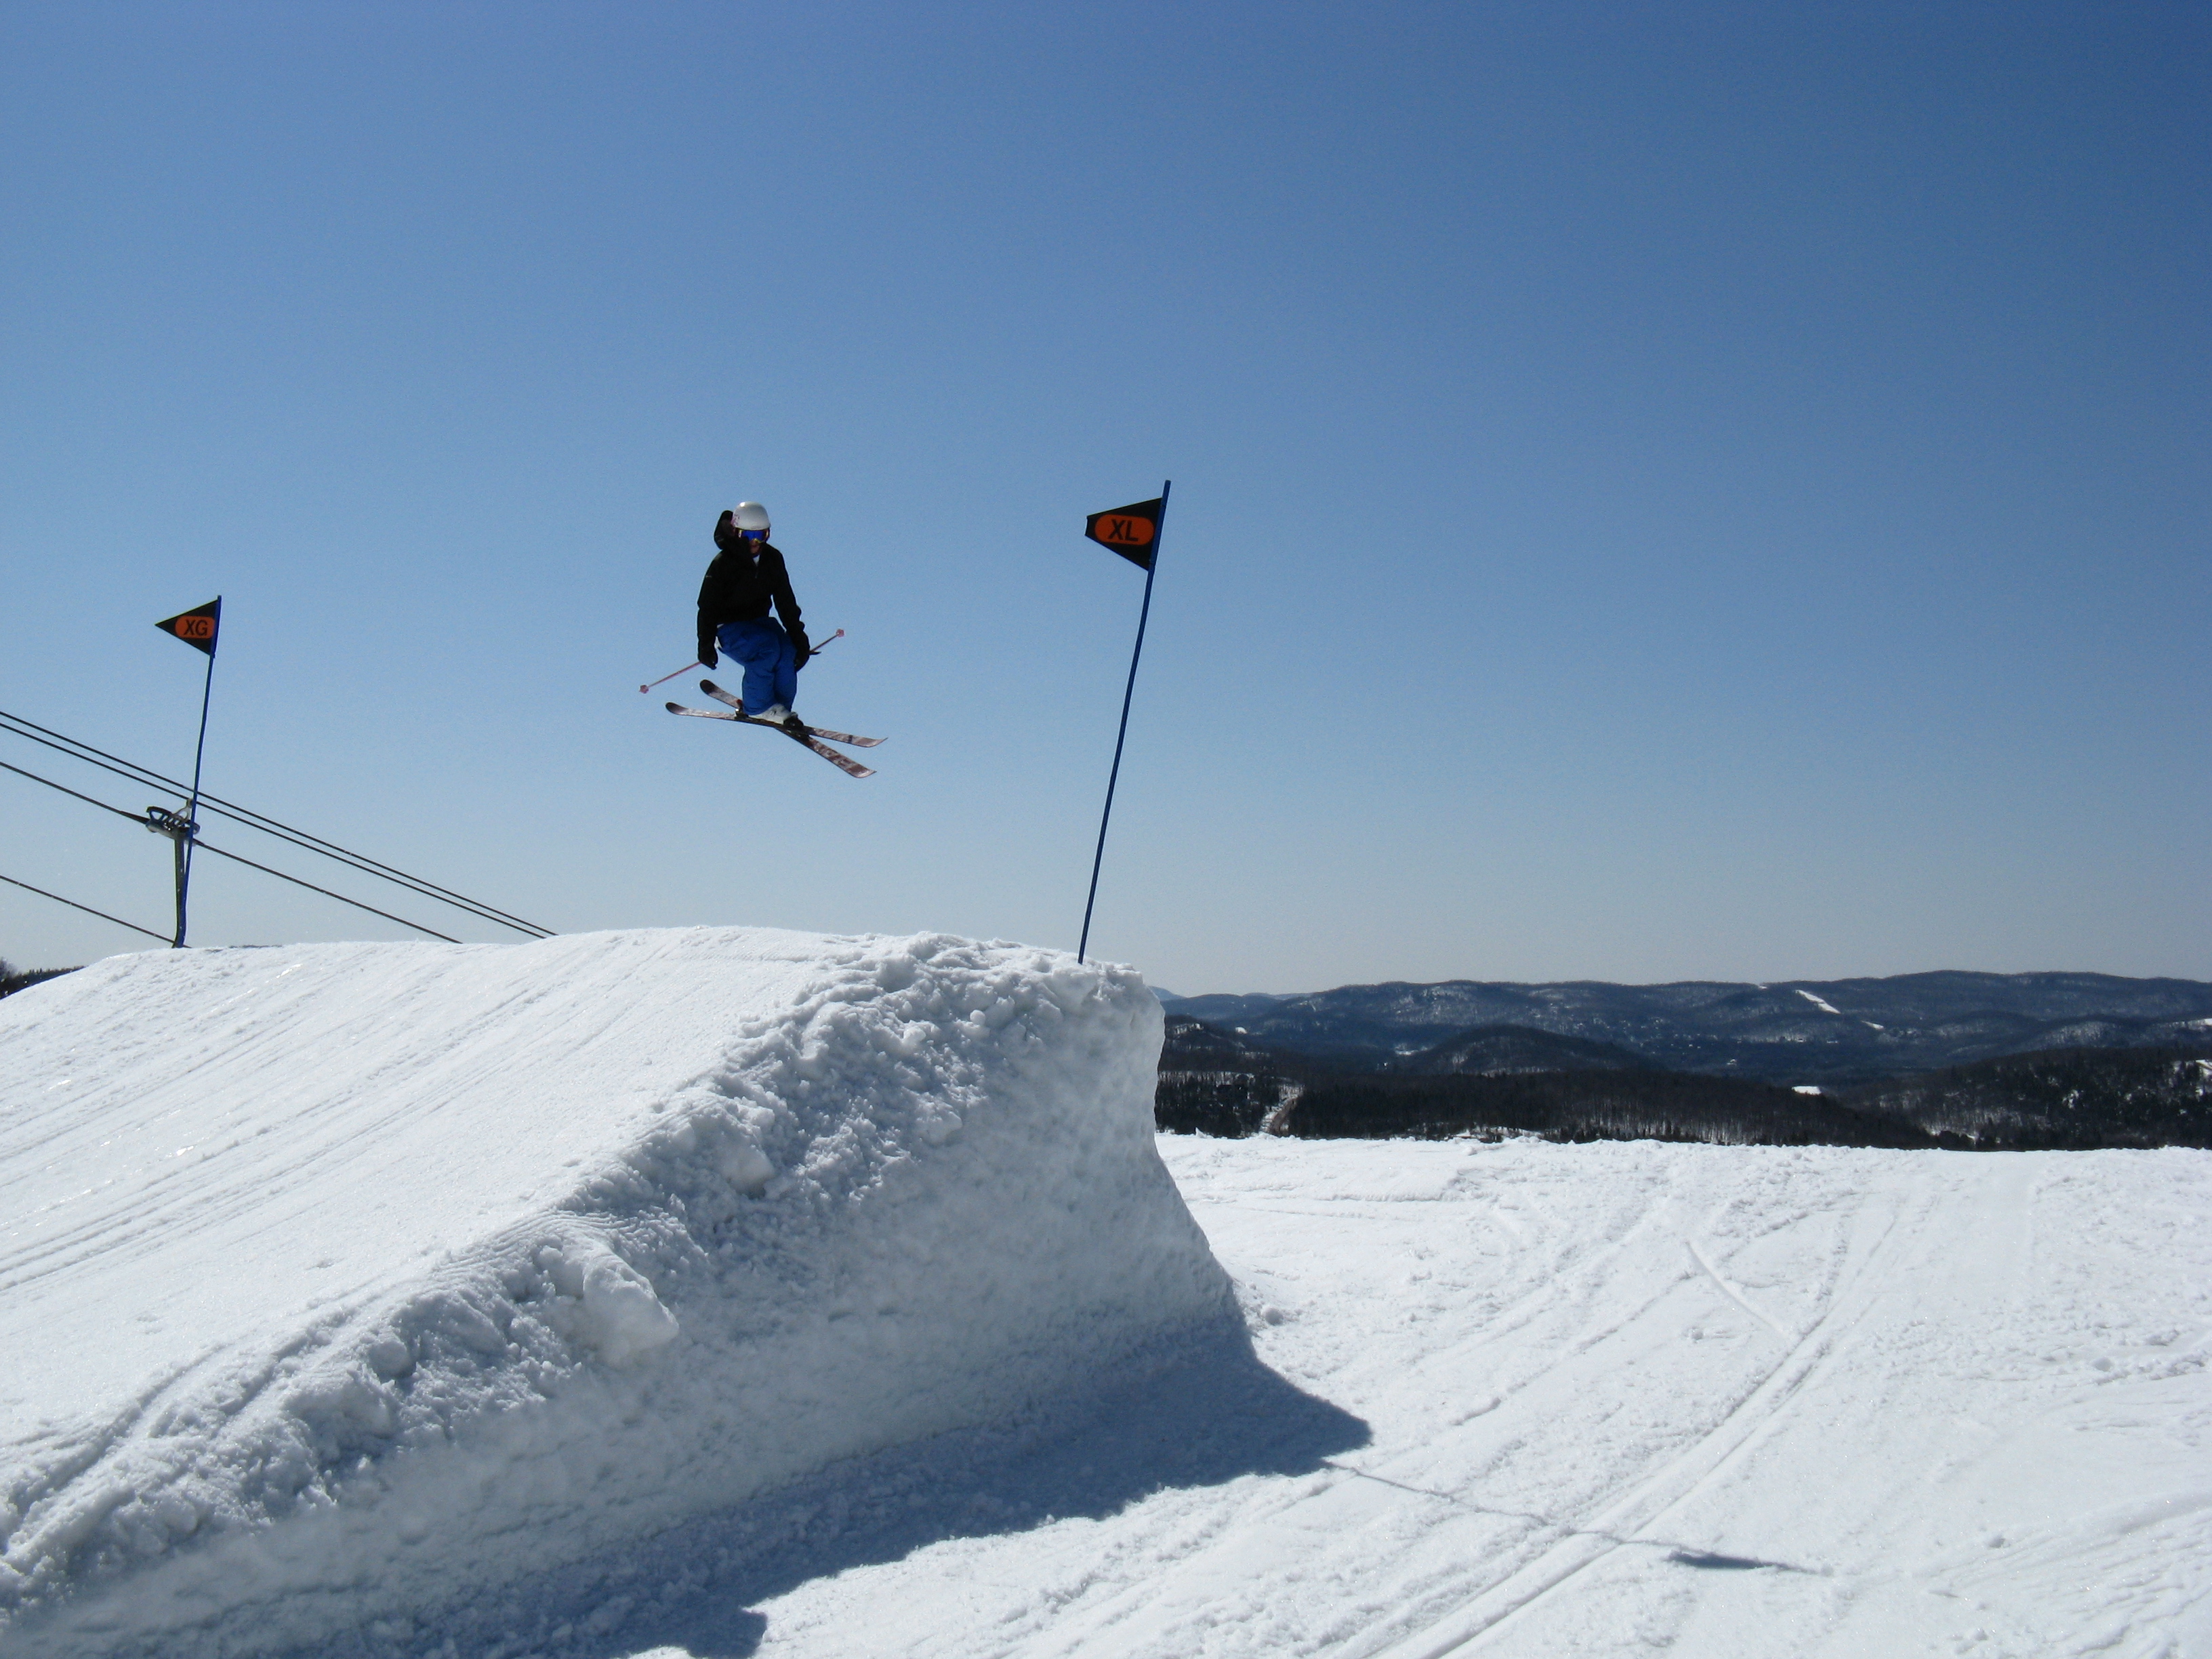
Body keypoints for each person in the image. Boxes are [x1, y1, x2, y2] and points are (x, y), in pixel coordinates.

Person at [697, 501, 811, 731]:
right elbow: (707, 606)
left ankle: (780, 709)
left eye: (761, 536)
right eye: (748, 536)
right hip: (727, 628)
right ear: (736, 533)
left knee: (787, 651)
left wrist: (799, 638)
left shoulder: (773, 559)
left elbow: (785, 600)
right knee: (767, 649)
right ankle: (759, 707)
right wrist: (705, 644)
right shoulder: (724, 564)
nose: (755, 543)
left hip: (759, 623)